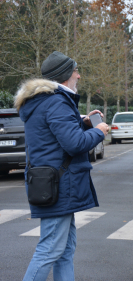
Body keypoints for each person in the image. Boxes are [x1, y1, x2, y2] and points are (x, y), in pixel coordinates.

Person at [15, 51, 109, 281]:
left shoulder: (46, 100)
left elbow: (55, 135)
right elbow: (75, 143)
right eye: (76, 70)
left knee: (64, 251)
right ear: (66, 75)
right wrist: (99, 131)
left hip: (54, 182)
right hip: (58, 184)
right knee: (50, 250)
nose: (79, 75)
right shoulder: (57, 101)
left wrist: (83, 122)